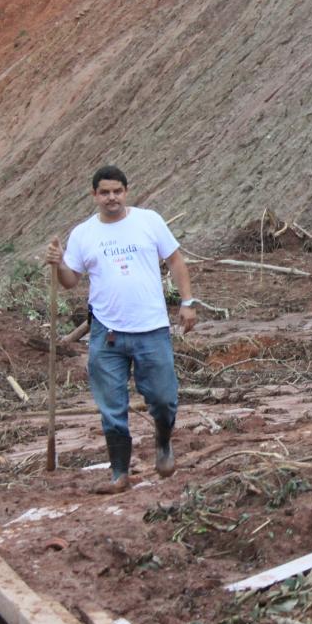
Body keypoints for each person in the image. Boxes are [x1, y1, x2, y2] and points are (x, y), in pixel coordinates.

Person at [45, 165, 197, 494]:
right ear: (94, 195)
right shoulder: (84, 233)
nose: (111, 198)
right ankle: (118, 472)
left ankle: (163, 442)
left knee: (163, 398)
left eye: (117, 191)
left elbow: (176, 261)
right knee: (111, 405)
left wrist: (187, 301)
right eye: (105, 192)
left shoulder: (148, 221)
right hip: (107, 332)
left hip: (151, 327)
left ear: (126, 192)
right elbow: (71, 281)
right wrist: (58, 265)